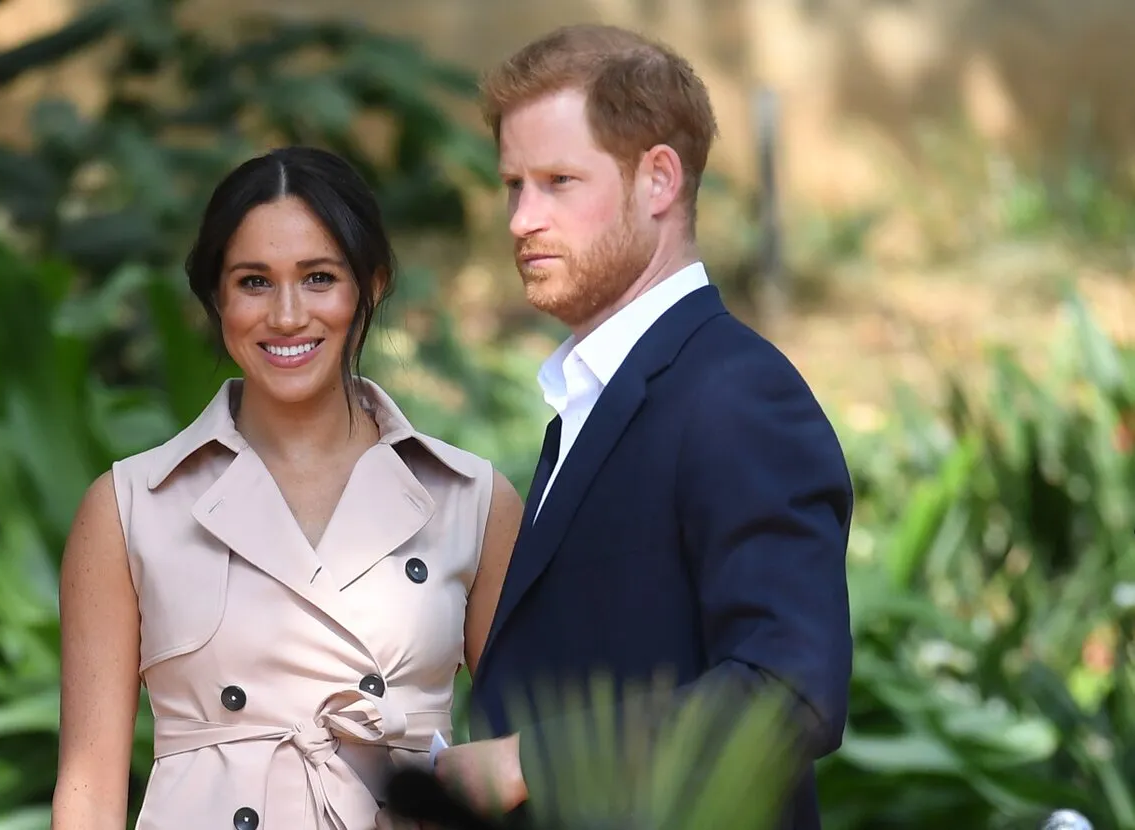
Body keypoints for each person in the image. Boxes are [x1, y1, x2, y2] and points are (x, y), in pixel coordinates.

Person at [433, 24, 854, 830]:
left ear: (657, 179)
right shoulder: (598, 395)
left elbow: (788, 693)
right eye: (512, 185)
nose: (522, 219)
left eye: (558, 181)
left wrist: (525, 763)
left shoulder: (737, 396)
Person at [50, 146, 522, 830]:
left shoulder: (470, 498)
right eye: (254, 282)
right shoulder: (129, 507)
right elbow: (89, 795)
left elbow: (538, 748)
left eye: (319, 277)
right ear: (217, 296)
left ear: (373, 285)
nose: (288, 315)